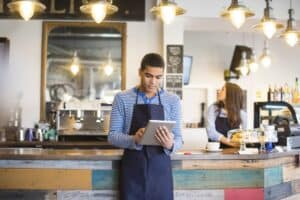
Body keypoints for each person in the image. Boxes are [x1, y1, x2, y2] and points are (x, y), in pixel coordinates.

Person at [108, 53, 182, 200]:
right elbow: (112, 136)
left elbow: (179, 138)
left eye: (158, 77)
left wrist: (171, 144)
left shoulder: (172, 101)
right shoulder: (122, 98)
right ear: (140, 72)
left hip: (160, 172)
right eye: (148, 75)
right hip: (133, 170)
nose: (153, 82)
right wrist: (134, 139)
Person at [206, 82, 247, 148]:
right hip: (215, 150)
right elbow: (211, 132)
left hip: (234, 152)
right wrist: (230, 143)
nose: (219, 91)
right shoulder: (213, 109)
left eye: (223, 89)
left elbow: (245, 135)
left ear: (230, 94)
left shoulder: (242, 113)